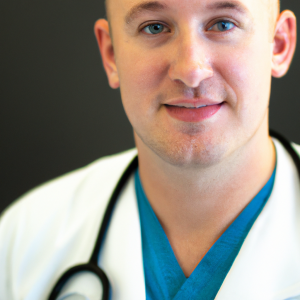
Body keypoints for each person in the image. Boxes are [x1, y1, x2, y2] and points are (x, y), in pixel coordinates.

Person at [0, 0, 299, 299]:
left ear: (278, 44)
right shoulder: (22, 241)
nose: (190, 71)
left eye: (223, 24)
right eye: (154, 27)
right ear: (111, 54)